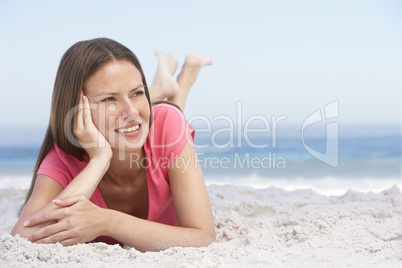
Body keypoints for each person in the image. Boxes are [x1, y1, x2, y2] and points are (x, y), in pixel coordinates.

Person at [11, 38, 215, 251]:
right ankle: (171, 80)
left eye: (137, 92)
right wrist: (99, 159)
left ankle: (182, 78)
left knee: (166, 116)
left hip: (162, 125)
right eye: (109, 99)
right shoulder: (63, 158)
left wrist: (107, 221)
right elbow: (22, 240)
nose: (132, 110)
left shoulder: (168, 125)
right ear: (77, 109)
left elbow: (204, 239)